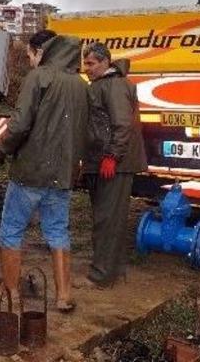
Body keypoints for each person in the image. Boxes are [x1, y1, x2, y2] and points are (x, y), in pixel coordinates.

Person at [0, 29, 88, 313]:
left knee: (11, 231)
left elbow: (19, 124)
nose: (31, 60)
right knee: (58, 231)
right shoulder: (81, 85)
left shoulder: (39, 77)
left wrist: (4, 147)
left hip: (30, 172)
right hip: (63, 174)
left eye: (31, 55)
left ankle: (11, 295)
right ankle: (64, 296)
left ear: (40, 53)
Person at [76, 43, 147, 289]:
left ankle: (101, 276)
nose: (87, 69)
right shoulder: (102, 85)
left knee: (108, 221)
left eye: (92, 64)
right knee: (106, 219)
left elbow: (122, 124)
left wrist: (112, 157)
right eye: (85, 64)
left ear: (106, 62)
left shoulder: (114, 85)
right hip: (103, 161)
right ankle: (109, 270)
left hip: (115, 163)